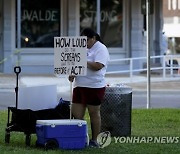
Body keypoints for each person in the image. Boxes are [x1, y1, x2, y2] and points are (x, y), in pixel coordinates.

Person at [68, 28, 110, 147]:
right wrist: (72, 73)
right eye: (83, 41)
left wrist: (84, 61)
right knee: (77, 114)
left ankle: (95, 140)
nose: (85, 43)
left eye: (86, 40)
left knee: (93, 113)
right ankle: (79, 137)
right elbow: (76, 64)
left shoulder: (101, 48)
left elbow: (98, 66)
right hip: (79, 85)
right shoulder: (82, 48)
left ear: (93, 38)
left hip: (94, 86)